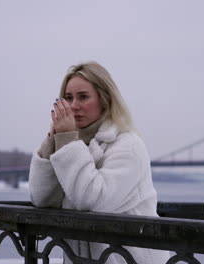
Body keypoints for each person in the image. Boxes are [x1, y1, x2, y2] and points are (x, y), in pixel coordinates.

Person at [28, 62, 169, 263]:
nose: (74, 105)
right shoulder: (72, 144)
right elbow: (42, 198)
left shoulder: (128, 146)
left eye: (83, 97)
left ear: (104, 99)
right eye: (68, 98)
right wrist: (51, 142)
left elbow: (92, 200)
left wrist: (67, 140)